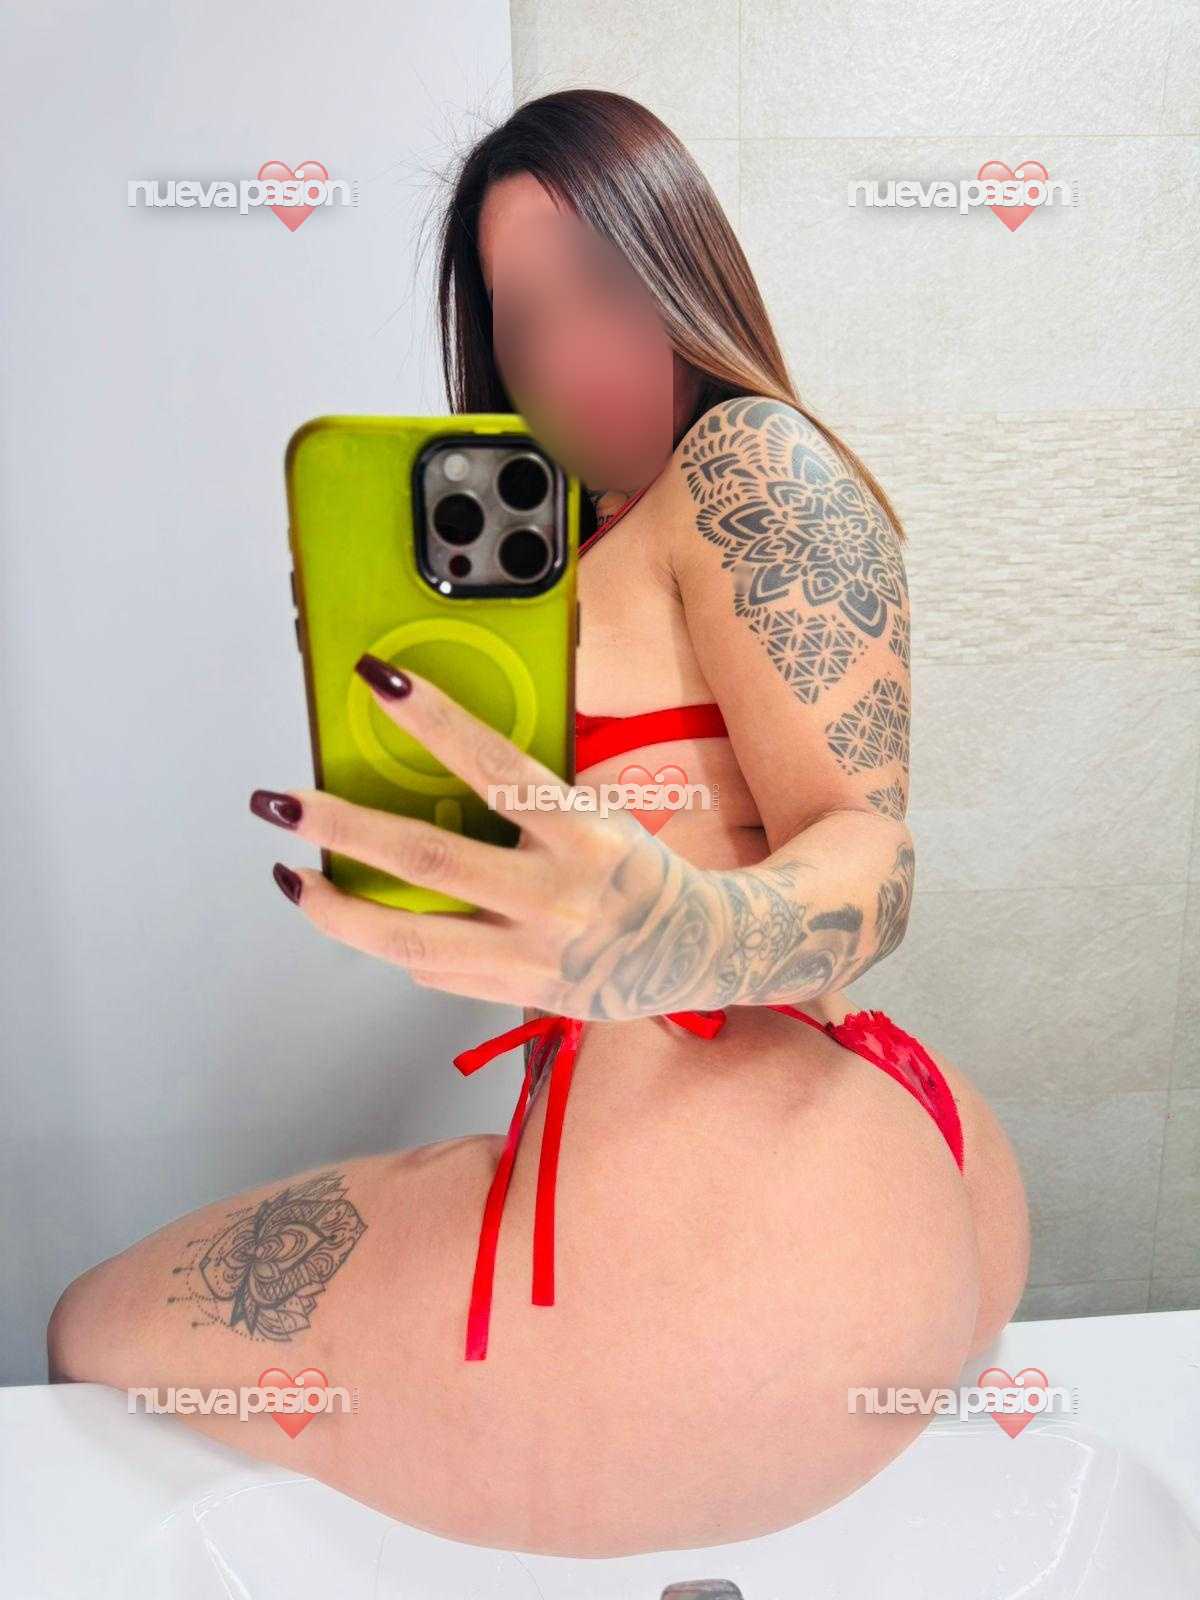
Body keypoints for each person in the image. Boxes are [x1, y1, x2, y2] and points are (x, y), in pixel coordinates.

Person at [46, 88, 1030, 1559]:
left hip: (744, 1255)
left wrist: (684, 933)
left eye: (605, 284)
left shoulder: (746, 461)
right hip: (840, 1209)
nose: (570, 352)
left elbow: (870, 853)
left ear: (686, 265)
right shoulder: (582, 544)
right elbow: (562, 874)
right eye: (525, 315)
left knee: (88, 1328)